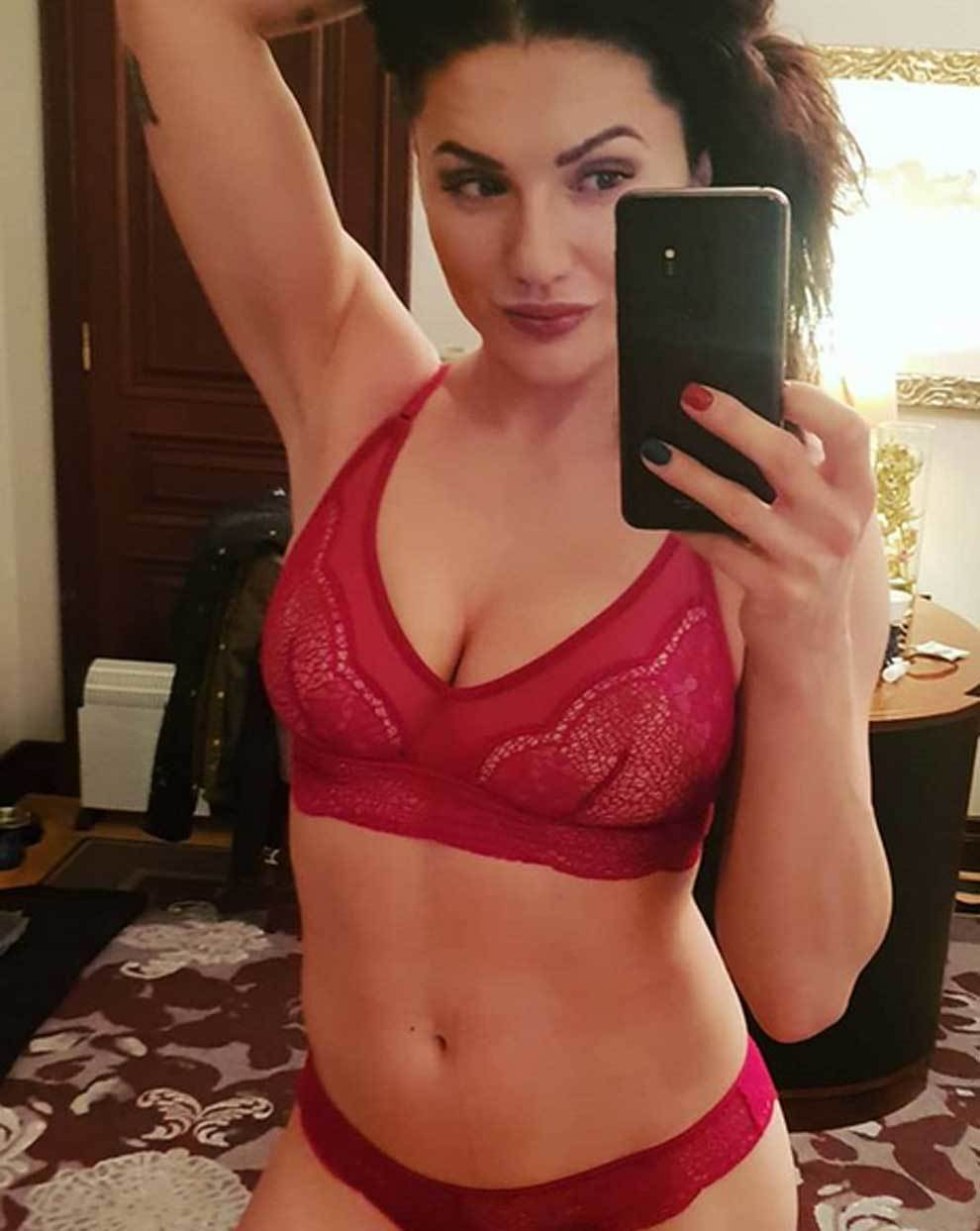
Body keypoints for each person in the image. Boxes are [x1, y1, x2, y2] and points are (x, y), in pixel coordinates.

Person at [115, 1, 894, 1228]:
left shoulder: (776, 515)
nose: (534, 255)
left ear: (698, 175)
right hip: (348, 1158)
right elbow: (177, 15)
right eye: (474, 182)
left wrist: (799, 638)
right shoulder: (347, 383)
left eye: (601, 178)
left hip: (656, 1184)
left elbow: (800, 992)